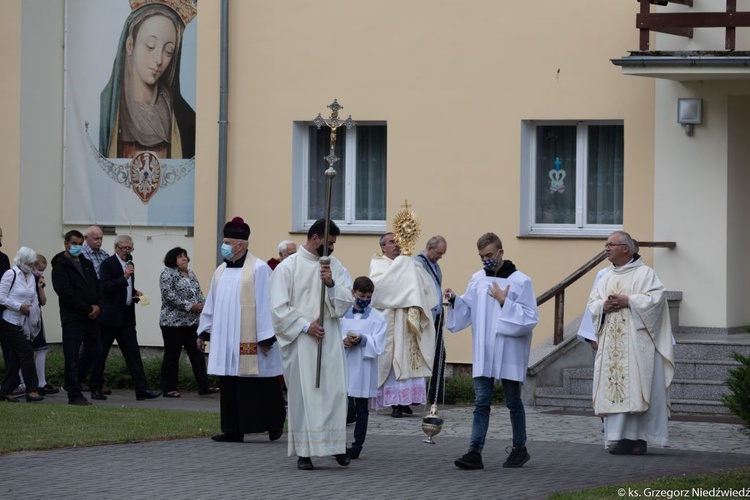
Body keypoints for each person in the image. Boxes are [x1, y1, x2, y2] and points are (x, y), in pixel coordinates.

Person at [446, 232, 538, 470]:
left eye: (489, 255)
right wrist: (455, 300)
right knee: (481, 402)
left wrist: (503, 301)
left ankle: (520, 448)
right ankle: (474, 452)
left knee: (513, 402)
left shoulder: (520, 281)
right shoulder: (478, 279)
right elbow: (467, 308)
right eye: (481, 256)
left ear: (501, 252)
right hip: (484, 350)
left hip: (509, 351)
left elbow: (530, 318)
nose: (486, 259)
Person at [269, 218, 353, 471]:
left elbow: (344, 303)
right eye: (328, 243)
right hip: (302, 342)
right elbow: (278, 308)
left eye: (334, 244)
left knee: (335, 392)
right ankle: (305, 453)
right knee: (306, 395)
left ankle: (335, 446)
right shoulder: (287, 268)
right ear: (315, 239)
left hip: (328, 339)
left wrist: (330, 285)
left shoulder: (334, 266)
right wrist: (306, 326)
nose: (332, 249)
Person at [197, 217, 285, 443]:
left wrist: (266, 337)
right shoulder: (220, 271)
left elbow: (267, 302)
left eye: (227, 241)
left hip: (253, 338)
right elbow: (212, 303)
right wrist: (204, 331)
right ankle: (233, 429)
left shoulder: (259, 269)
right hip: (227, 339)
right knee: (230, 383)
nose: (224, 246)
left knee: (260, 382)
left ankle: (274, 424)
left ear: (241, 245)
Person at [588, 231, 675, 456]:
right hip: (612, 345)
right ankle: (619, 438)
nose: (606, 248)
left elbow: (657, 300)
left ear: (626, 248)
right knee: (615, 387)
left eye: (611, 245)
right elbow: (593, 302)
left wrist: (630, 301)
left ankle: (638, 440)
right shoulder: (605, 276)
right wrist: (602, 308)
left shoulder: (645, 274)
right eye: (606, 244)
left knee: (637, 388)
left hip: (637, 344)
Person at [99, 0, 196, 159]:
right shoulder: (108, 109)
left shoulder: (184, 120)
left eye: (169, 52)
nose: (159, 59)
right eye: (150, 46)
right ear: (130, 45)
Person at [370, 232, 437, 418]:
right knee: (393, 361)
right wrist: (403, 271)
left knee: (409, 359)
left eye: (398, 242)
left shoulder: (411, 263)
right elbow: (380, 290)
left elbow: (424, 287)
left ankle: (406, 401)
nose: (396, 245)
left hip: (409, 320)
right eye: (392, 242)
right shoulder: (378, 264)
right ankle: (395, 404)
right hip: (391, 320)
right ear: (383, 247)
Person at [89, 235, 160, 401]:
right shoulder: (108, 264)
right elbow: (105, 287)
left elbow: (125, 288)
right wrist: (125, 277)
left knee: (133, 354)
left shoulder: (130, 264)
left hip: (127, 316)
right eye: (124, 248)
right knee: (101, 354)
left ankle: (142, 390)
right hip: (109, 317)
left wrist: (134, 292)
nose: (127, 251)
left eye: (130, 248)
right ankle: (95, 388)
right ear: (116, 248)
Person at [51, 230, 103, 406]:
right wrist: (87, 308)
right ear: (66, 243)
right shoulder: (60, 267)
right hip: (73, 319)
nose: (77, 247)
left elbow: (97, 286)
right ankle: (74, 394)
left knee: (95, 350)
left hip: (91, 318)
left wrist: (98, 306)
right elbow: (67, 294)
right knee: (72, 357)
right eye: (74, 244)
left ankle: (74, 381)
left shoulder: (86, 263)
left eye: (80, 244)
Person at [158, 247, 217, 398]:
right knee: (172, 355)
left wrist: (204, 306)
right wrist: (190, 306)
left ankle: (204, 386)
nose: (184, 259)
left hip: (192, 322)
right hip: (173, 323)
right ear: (172, 260)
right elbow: (170, 296)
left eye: (185, 256)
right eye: (180, 257)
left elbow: (198, 292)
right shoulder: (167, 274)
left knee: (197, 354)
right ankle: (169, 388)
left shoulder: (190, 273)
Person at [340, 276, 386, 459]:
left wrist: (362, 340)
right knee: (342, 406)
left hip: (364, 367)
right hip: (344, 364)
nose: (365, 300)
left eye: (368, 297)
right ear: (353, 293)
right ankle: (337, 443)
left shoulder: (377, 317)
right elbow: (333, 333)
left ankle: (357, 446)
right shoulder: (342, 314)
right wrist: (342, 341)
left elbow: (380, 343)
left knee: (361, 408)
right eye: (361, 295)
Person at [0, 247, 43, 403]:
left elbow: (34, 298)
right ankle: (32, 390)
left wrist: (34, 311)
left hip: (25, 322)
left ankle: (5, 391)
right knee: (26, 352)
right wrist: (20, 307)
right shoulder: (10, 275)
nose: (32, 267)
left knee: (15, 359)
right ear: (22, 262)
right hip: (10, 321)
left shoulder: (30, 277)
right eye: (30, 264)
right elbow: (2, 298)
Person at [415, 235, 448, 405]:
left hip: (436, 315)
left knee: (440, 354)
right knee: (426, 354)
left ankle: (436, 392)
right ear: (430, 248)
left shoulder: (435, 266)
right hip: (425, 317)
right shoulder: (418, 264)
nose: (440, 257)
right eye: (439, 253)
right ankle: (425, 393)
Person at [28, 255, 58, 396]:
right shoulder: (25, 278)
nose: (41, 272)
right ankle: (25, 382)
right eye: (39, 269)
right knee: (26, 350)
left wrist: (40, 287)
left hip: (36, 316)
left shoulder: (38, 279)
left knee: (41, 348)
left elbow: (43, 301)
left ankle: (41, 382)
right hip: (27, 316)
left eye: (43, 270)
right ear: (32, 266)